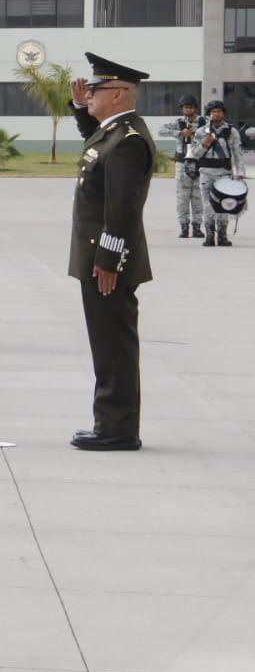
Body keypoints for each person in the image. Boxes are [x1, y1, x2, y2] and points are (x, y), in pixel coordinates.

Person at [68, 53, 153, 452]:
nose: (90, 94)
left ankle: (117, 428)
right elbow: (94, 147)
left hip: (107, 262)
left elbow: (121, 209)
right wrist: (80, 110)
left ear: (118, 94)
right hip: (100, 257)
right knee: (106, 342)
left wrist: (107, 260)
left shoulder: (127, 142)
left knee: (113, 343)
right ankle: (111, 422)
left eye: (97, 90)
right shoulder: (115, 133)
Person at [190, 100, 245, 247]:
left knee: (224, 205)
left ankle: (222, 236)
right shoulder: (201, 131)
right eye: (213, 111)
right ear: (209, 114)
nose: (216, 114)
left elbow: (238, 153)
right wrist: (205, 143)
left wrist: (239, 173)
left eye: (219, 111)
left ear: (223, 113)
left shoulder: (231, 131)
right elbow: (194, 154)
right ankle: (209, 235)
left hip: (224, 173)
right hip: (206, 172)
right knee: (207, 205)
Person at [157, 94, 206, 238]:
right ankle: (184, 227)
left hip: (199, 163)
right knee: (182, 197)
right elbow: (160, 130)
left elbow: (214, 130)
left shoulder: (204, 121)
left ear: (195, 108)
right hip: (182, 163)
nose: (189, 110)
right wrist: (180, 133)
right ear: (182, 109)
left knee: (198, 197)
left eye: (191, 107)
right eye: (186, 107)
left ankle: (197, 227)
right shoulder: (178, 122)